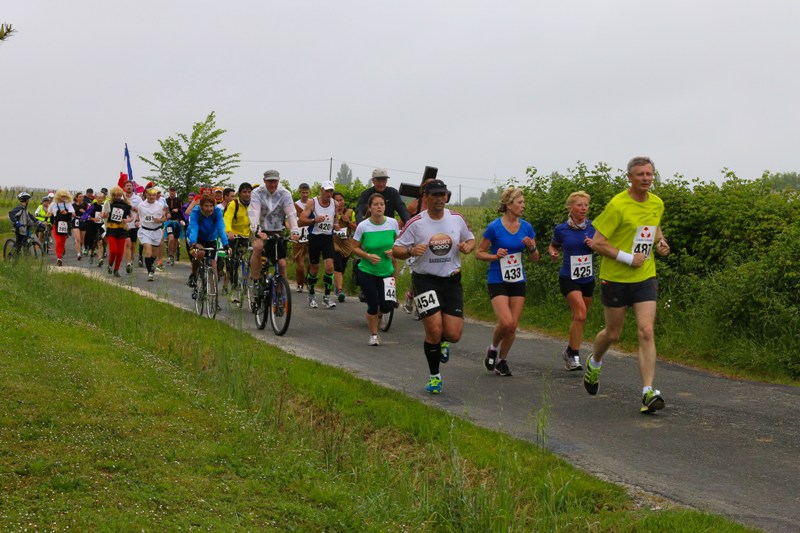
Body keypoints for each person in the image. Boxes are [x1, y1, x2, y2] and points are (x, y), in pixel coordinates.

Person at [583, 156, 671, 414]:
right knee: (613, 333)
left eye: (649, 174)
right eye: (640, 174)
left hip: (645, 276)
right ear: (630, 178)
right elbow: (598, 242)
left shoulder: (657, 203)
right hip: (616, 278)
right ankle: (595, 361)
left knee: (646, 330)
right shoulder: (617, 205)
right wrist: (627, 258)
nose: (646, 178)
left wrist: (661, 243)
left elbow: (654, 229)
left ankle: (648, 392)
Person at [392, 179, 475, 394]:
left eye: (443, 195)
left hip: (451, 280)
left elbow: (471, 239)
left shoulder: (456, 219)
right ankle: (435, 377)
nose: (440, 199)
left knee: (454, 334)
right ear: (426, 197)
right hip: (425, 280)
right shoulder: (416, 222)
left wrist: (467, 246)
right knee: (434, 329)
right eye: (435, 195)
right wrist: (411, 251)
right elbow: (397, 249)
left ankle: (444, 342)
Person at [474, 187, 540, 377]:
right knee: (506, 321)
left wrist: (532, 247)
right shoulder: (495, 227)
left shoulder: (526, 227)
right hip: (497, 279)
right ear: (509, 205)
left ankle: (502, 361)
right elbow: (479, 253)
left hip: (518, 279)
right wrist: (495, 256)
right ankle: (493, 348)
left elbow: (536, 258)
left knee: (512, 325)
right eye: (520, 202)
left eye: (523, 202)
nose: (523, 206)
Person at [548, 191, 596, 371]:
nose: (584, 208)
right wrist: (553, 252)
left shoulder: (593, 227)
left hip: (588, 278)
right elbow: (554, 244)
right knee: (581, 314)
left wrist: (595, 245)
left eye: (586, 205)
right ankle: (574, 355)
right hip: (569, 277)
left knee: (579, 317)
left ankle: (569, 350)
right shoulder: (561, 229)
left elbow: (605, 245)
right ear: (570, 208)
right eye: (579, 205)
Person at [352, 194, 400, 345]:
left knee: (387, 305)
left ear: (385, 207)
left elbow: (400, 244)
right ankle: (374, 335)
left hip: (387, 271)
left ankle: (379, 316)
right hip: (367, 271)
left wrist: (394, 251)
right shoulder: (363, 226)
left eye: (381, 204)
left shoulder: (392, 223)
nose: (379, 207)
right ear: (370, 208)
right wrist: (367, 255)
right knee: (373, 304)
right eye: (376, 204)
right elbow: (354, 248)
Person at [247, 170, 299, 287]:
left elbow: (291, 213)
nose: (272, 184)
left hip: (277, 230)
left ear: (278, 180)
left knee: (281, 264)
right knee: (258, 247)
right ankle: (256, 281)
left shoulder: (285, 193)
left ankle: (282, 293)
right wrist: (257, 230)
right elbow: (254, 212)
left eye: (274, 181)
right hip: (260, 229)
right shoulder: (257, 193)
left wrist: (294, 230)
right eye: (269, 181)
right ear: (264, 181)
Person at [299, 180, 339, 309]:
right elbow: (301, 220)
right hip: (315, 238)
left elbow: (336, 218)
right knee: (314, 268)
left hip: (327, 238)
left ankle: (327, 297)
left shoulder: (335, 203)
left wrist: (337, 225)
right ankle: (311, 294)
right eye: (326, 191)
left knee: (329, 266)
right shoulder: (313, 202)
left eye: (331, 191)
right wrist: (313, 220)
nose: (329, 193)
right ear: (321, 190)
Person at [186, 194, 229, 293]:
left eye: (211, 206)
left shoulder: (217, 212)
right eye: (206, 206)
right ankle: (193, 274)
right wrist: (193, 244)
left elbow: (221, 229)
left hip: (210, 238)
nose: (209, 209)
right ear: (201, 206)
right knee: (200, 253)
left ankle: (213, 297)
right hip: (196, 238)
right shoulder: (195, 212)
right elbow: (193, 228)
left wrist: (226, 244)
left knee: (213, 266)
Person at [224, 182, 253, 304]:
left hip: (248, 236)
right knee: (234, 263)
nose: (247, 194)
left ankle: (253, 286)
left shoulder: (254, 205)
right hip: (234, 237)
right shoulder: (234, 204)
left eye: (249, 192)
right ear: (240, 194)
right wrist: (229, 231)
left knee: (255, 260)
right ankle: (235, 289)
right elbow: (227, 218)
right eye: (244, 192)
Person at [101, 186, 134, 277]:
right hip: (111, 229)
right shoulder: (109, 203)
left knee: (120, 252)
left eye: (119, 195)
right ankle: (110, 265)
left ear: (121, 195)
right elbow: (104, 216)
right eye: (115, 195)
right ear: (112, 195)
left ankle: (116, 270)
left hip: (122, 229)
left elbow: (131, 217)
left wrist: (126, 220)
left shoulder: (125, 205)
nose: (117, 197)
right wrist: (104, 215)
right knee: (114, 251)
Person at [137, 188, 168, 281]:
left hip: (156, 231)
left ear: (156, 196)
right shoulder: (141, 205)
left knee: (154, 254)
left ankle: (151, 264)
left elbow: (164, 218)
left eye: (153, 195)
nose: (151, 197)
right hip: (145, 231)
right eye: (149, 195)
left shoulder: (159, 205)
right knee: (148, 250)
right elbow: (139, 215)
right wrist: (137, 221)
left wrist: (160, 220)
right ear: (146, 195)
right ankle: (150, 272)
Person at [332, 191, 356, 302]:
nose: (339, 203)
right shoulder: (331, 212)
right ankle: (340, 290)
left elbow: (356, 228)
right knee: (338, 266)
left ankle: (336, 283)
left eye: (341, 200)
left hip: (347, 243)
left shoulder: (350, 212)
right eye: (336, 200)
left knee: (342, 267)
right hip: (334, 241)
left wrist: (348, 221)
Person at [47, 189, 75, 267]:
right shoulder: (53, 204)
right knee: (58, 241)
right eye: (62, 196)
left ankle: (61, 249)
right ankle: (59, 258)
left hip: (65, 225)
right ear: (58, 196)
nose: (63, 198)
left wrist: (67, 213)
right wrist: (52, 213)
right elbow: (48, 212)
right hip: (56, 224)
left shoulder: (68, 204)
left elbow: (73, 213)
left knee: (63, 241)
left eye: (64, 196)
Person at [292, 183, 312, 292]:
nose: (305, 194)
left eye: (306, 192)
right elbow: (291, 220)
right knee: (300, 263)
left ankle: (308, 281)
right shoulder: (295, 205)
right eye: (303, 192)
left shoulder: (312, 203)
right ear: (299, 192)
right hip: (299, 235)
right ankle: (299, 283)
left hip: (311, 234)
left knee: (311, 262)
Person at [81, 191, 107, 265]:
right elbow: (85, 215)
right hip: (92, 226)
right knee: (93, 244)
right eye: (99, 198)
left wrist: (104, 216)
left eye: (101, 198)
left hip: (100, 226)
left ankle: (100, 259)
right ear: (96, 198)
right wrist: (93, 219)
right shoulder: (92, 206)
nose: (100, 199)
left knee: (100, 242)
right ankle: (91, 254)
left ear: (103, 198)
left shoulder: (104, 206)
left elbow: (107, 216)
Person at [122, 180, 142, 274]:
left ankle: (131, 258)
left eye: (130, 186)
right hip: (124, 224)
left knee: (133, 244)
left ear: (133, 187)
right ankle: (128, 262)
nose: (129, 187)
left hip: (134, 224)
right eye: (127, 186)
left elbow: (141, 211)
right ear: (124, 187)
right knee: (127, 243)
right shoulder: (121, 197)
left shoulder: (137, 199)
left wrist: (132, 208)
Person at [164, 187, 183, 265]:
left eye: (173, 191)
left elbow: (183, 211)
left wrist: (178, 212)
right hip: (169, 222)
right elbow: (163, 210)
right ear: (169, 192)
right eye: (170, 191)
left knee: (175, 241)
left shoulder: (179, 201)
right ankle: (169, 255)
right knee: (171, 238)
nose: (172, 193)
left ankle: (172, 255)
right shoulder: (166, 201)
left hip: (177, 222)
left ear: (175, 192)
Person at [72, 192, 89, 260]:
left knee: (82, 241)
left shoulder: (85, 205)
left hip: (83, 221)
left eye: (82, 197)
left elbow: (89, 214)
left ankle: (80, 247)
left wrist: (84, 212)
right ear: (76, 198)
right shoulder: (73, 205)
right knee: (78, 239)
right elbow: (71, 212)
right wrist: (73, 214)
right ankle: (78, 254)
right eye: (80, 197)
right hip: (75, 221)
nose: (81, 198)